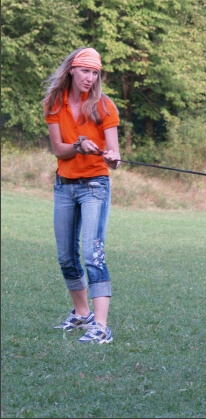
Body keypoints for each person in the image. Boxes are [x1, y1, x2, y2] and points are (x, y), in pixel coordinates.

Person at [43, 47, 121, 344]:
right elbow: (58, 149)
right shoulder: (54, 103)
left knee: (92, 253)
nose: (90, 78)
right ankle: (82, 313)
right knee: (66, 256)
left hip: (95, 186)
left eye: (95, 73)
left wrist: (112, 159)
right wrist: (77, 145)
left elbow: (113, 155)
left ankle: (101, 326)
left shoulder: (104, 107)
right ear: (72, 70)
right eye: (85, 71)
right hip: (64, 185)